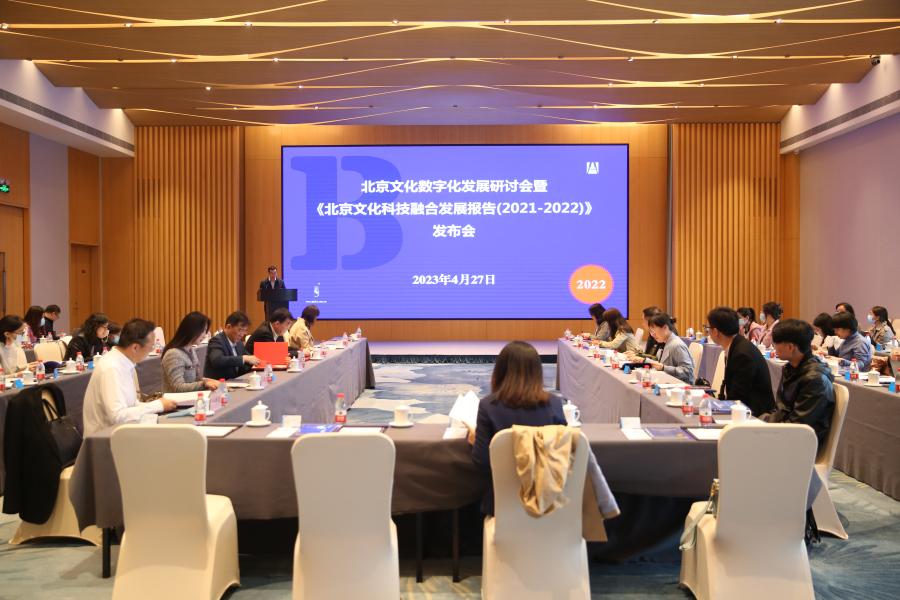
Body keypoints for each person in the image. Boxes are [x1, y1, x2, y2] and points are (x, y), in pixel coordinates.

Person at [470, 341, 567, 516]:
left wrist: (475, 439)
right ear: (538, 372)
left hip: (502, 509)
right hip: (550, 506)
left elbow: (481, 462)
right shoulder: (554, 404)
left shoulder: (488, 406)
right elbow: (565, 453)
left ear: (499, 371)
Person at [82, 319, 178, 436]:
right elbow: (117, 417)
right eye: (151, 346)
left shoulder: (123, 361)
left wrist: (159, 405)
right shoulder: (112, 368)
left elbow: (131, 405)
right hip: (105, 438)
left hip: (120, 432)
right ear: (135, 347)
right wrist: (158, 405)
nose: (152, 350)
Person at [761, 319, 834, 448]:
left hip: (801, 443)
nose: (773, 346)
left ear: (790, 347)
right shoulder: (791, 368)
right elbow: (782, 410)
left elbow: (798, 425)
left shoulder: (815, 379)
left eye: (776, 343)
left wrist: (764, 430)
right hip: (786, 432)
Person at [706, 307, 775, 417]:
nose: (707, 331)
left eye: (708, 328)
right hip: (744, 410)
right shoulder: (736, 345)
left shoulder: (742, 354)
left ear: (716, 332)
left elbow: (738, 397)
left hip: (755, 416)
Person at [162, 311, 219, 393]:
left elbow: (196, 380)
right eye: (203, 331)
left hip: (191, 397)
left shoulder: (191, 351)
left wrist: (211, 382)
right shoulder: (173, 354)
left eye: (205, 331)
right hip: (176, 400)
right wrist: (204, 384)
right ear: (192, 330)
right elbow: (177, 387)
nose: (205, 335)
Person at [630, 312, 695, 384]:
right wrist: (644, 360)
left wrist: (663, 368)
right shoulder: (666, 342)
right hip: (668, 382)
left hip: (680, 386)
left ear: (665, 328)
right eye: (651, 331)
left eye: (653, 331)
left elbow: (688, 371)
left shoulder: (677, 345)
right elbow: (659, 363)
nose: (652, 335)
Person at [203, 311, 260, 380]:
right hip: (219, 383)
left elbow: (248, 359)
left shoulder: (239, 343)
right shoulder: (217, 340)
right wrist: (243, 358)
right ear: (228, 327)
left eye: (245, 331)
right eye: (240, 330)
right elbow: (217, 360)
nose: (242, 334)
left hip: (235, 382)